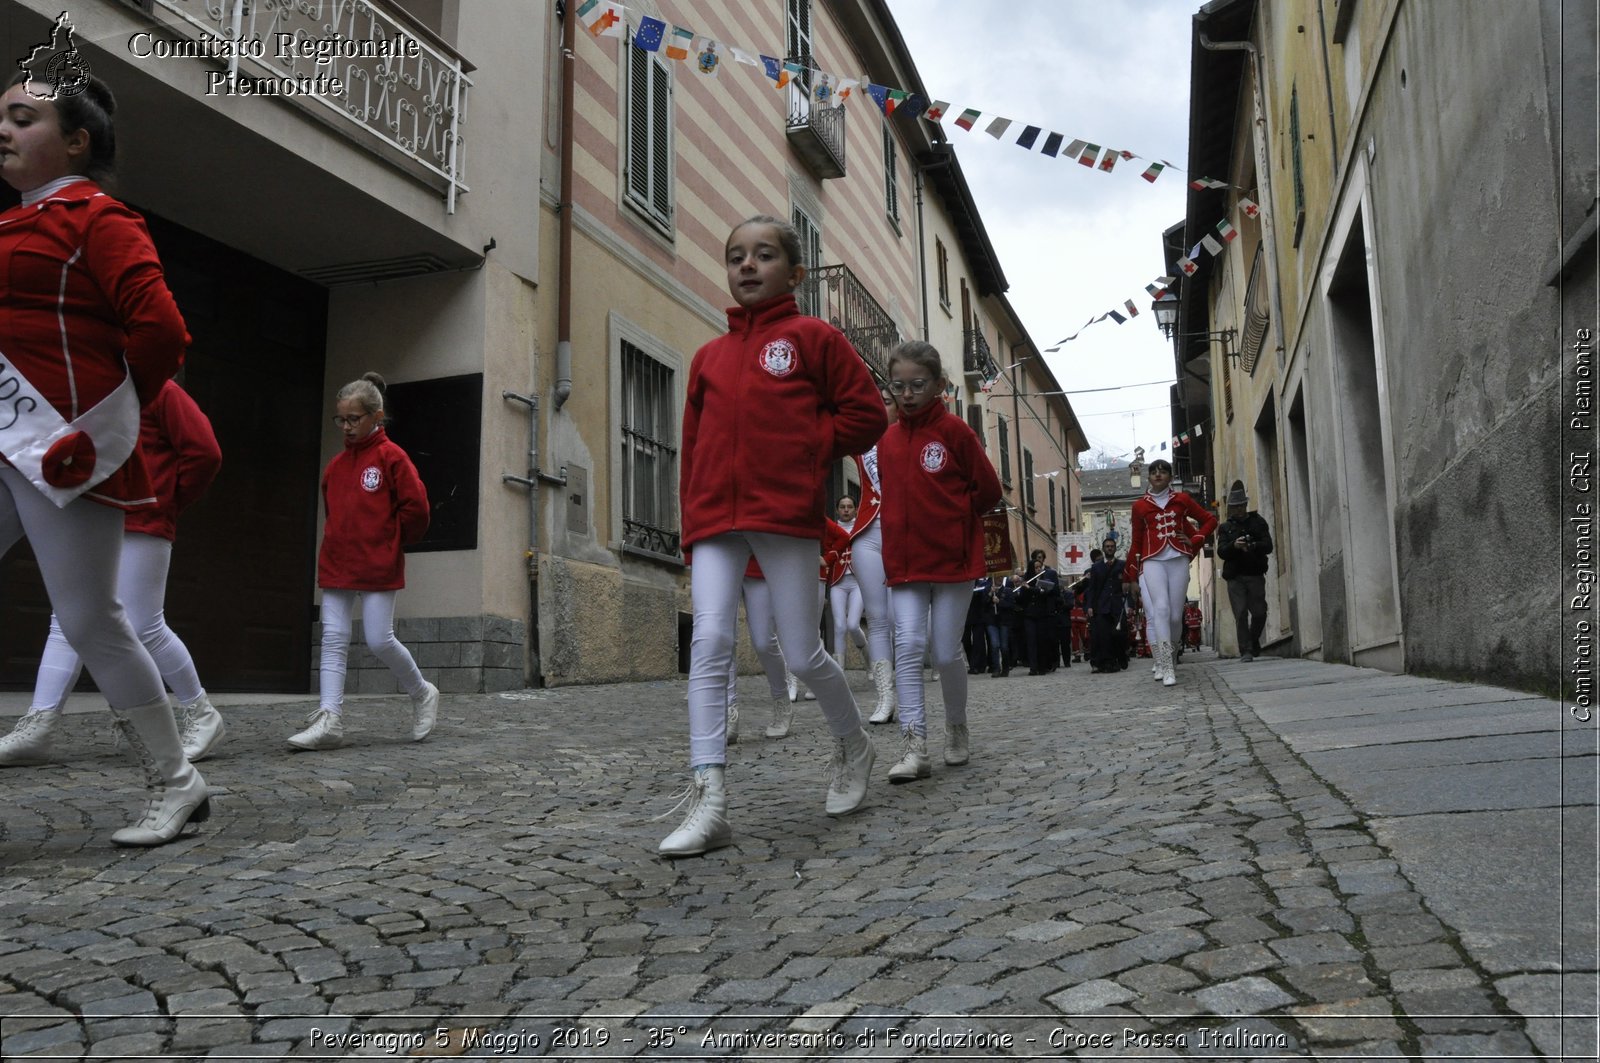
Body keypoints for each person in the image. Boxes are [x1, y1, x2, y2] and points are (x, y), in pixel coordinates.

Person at [0, 72, 209, 845]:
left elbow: (161, 331)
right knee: (94, 618)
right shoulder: (14, 222)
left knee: (93, 620)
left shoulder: (100, 218)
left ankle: (177, 782)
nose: (5, 129)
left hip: (62, 449)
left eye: (23, 118)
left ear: (78, 142)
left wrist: (103, 423)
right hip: (5, 438)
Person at [660, 215, 887, 858]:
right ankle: (709, 798)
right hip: (714, 519)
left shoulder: (815, 338)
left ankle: (852, 742)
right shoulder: (708, 357)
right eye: (736, 256)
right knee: (709, 640)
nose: (747, 266)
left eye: (763, 255)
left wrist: (805, 451)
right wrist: (691, 523)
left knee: (802, 653)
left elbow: (866, 415)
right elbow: (695, 445)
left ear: (795, 272)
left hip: (784, 512)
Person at [0, 380, 224, 766]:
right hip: (89, 513)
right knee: (67, 620)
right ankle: (40, 724)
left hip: (143, 518)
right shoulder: (91, 386)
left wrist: (167, 502)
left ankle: (201, 714)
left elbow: (205, 453)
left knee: (143, 625)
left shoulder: (162, 391)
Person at [289, 373, 437, 750]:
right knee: (333, 639)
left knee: (379, 639)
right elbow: (334, 514)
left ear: (377, 416)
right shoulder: (335, 467)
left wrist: (391, 543)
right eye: (342, 419)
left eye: (355, 418)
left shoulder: (392, 458)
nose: (347, 426)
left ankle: (422, 693)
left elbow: (417, 509)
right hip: (338, 562)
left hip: (377, 564)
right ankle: (330, 718)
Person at [877, 341, 1002, 781]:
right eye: (898, 386)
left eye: (917, 385)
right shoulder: (887, 440)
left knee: (946, 653)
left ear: (937, 385)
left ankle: (956, 726)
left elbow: (988, 491)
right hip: (905, 563)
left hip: (951, 561)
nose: (907, 394)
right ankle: (914, 747)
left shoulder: (955, 434)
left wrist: (954, 516)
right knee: (908, 648)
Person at [1124, 459, 1218, 686]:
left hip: (1178, 558)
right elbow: (1136, 541)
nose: (1158, 475)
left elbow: (1210, 520)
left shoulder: (1182, 499)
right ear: (1148, 477)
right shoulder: (1139, 506)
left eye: (1163, 471)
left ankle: (1172, 656)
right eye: (1154, 472)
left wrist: (1195, 538)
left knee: (1176, 616)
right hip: (1152, 560)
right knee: (1161, 609)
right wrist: (1130, 575)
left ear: (1169, 476)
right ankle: (1166, 665)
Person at [848, 398, 898, 725]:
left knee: (901, 622)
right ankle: (886, 696)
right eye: (879, 401)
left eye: (889, 402)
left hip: (902, 533)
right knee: (877, 619)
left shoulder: (915, 438)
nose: (884, 406)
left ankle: (907, 690)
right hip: (867, 532)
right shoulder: (863, 439)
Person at [1217, 479, 1274, 661]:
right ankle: (1246, 651)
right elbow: (1222, 552)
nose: (1239, 509)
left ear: (1245, 505)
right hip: (1235, 576)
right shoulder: (1225, 528)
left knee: (1259, 612)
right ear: (1231, 508)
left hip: (1255, 573)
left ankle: (1253, 639)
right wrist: (1234, 546)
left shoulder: (1258, 522)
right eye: (1235, 506)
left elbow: (1268, 546)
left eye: (1241, 505)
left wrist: (1253, 545)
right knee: (1240, 613)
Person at [823, 500, 866, 669]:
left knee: (853, 625)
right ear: (837, 510)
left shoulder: (862, 527)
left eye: (849, 507)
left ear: (855, 510)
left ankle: (870, 661)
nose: (846, 510)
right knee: (839, 626)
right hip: (838, 582)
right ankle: (839, 673)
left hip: (858, 582)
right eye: (842, 507)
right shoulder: (830, 530)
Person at [1086, 542, 1129, 673]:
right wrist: (1090, 606)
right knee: (1104, 636)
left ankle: (1120, 658)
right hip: (1102, 605)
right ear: (1103, 549)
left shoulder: (1122, 565)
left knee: (1119, 634)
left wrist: (1130, 605)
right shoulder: (1096, 567)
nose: (1110, 548)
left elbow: (1127, 585)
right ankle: (1107, 662)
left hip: (1117, 605)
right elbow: (1092, 588)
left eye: (1112, 546)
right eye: (1107, 546)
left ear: (1115, 548)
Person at [1018, 549, 1061, 675]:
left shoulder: (1043, 581)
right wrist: (1022, 589)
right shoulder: (1027, 580)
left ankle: (1042, 666)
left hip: (1042, 615)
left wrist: (1030, 588)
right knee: (1031, 641)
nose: (1038, 569)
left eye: (1039, 567)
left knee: (1042, 641)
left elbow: (1044, 592)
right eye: (1036, 567)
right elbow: (1022, 600)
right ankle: (1033, 667)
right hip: (1029, 615)